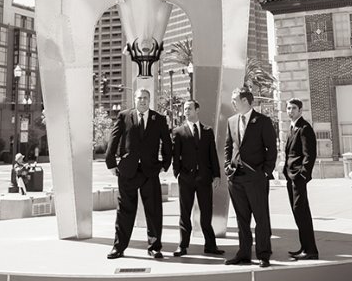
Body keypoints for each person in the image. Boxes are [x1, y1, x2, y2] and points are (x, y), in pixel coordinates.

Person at [105, 87, 172, 260]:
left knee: (154, 210)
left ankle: (154, 247)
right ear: (134, 99)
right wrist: (111, 162)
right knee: (125, 211)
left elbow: (167, 143)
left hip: (150, 171)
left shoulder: (159, 119)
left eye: (145, 98)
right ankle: (118, 247)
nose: (142, 100)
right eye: (139, 98)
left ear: (149, 100)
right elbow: (114, 139)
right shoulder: (124, 116)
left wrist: (165, 163)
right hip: (128, 171)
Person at [224, 85, 277, 267]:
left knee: (261, 218)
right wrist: (227, 167)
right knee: (241, 219)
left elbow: (272, 148)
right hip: (236, 178)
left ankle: (263, 254)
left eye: (234, 100)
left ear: (245, 101)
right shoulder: (231, 121)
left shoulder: (263, 121)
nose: (232, 103)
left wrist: (265, 172)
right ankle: (244, 254)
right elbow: (228, 147)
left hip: (256, 178)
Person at [172, 99, 224, 257]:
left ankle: (210, 245)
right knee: (184, 213)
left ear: (197, 110)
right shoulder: (178, 131)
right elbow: (176, 156)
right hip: (186, 179)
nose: (186, 111)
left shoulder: (207, 131)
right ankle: (183, 246)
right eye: (185, 109)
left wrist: (216, 175)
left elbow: (212, 155)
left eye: (189, 108)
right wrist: (177, 173)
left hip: (204, 179)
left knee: (206, 213)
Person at [283, 99, 319, 260]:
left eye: (294, 108)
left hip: (298, 177)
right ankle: (305, 247)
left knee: (301, 212)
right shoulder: (292, 128)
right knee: (298, 212)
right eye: (288, 108)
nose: (290, 111)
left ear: (300, 110)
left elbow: (309, 155)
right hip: (290, 177)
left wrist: (302, 176)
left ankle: (311, 251)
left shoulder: (304, 128)